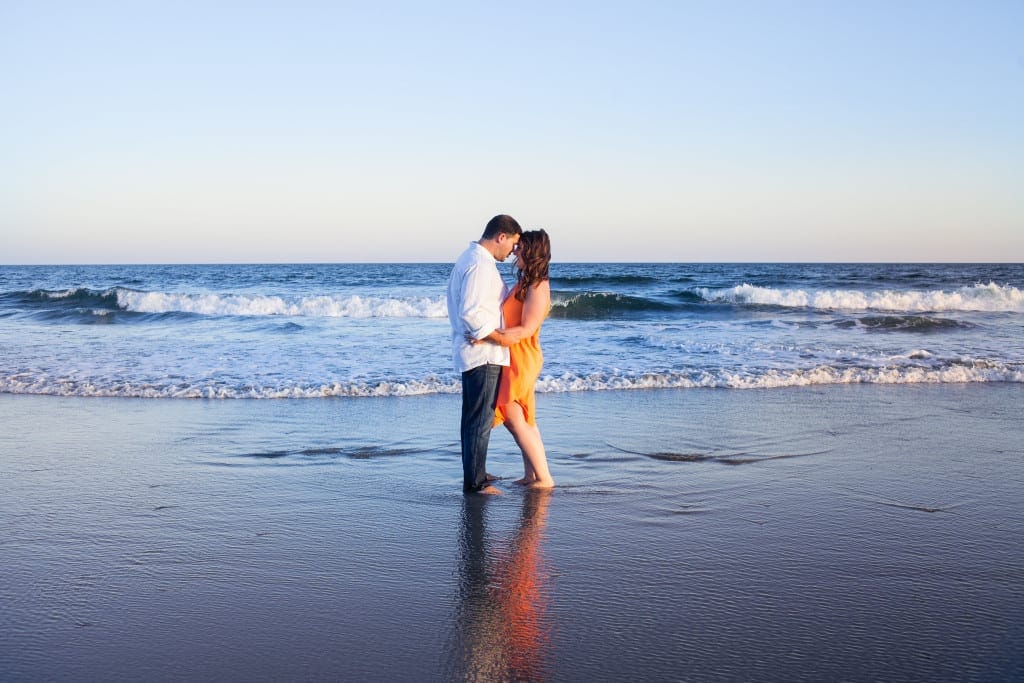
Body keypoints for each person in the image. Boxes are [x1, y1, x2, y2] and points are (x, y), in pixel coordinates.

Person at [474, 229, 555, 488]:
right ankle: (532, 475)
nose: (515, 251)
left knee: (512, 415)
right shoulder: (526, 283)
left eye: (521, 248)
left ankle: (544, 479)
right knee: (524, 418)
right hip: (514, 354)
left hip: (522, 356)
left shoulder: (538, 286)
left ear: (532, 252)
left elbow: (526, 329)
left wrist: (487, 336)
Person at [447, 215, 522, 493]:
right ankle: (476, 483)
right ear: (501, 236)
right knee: (479, 419)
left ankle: (476, 473)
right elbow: (470, 311)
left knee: (474, 418)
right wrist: (495, 337)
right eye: (513, 245)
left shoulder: (472, 259)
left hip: (476, 352)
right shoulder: (479, 264)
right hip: (483, 354)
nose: (513, 252)